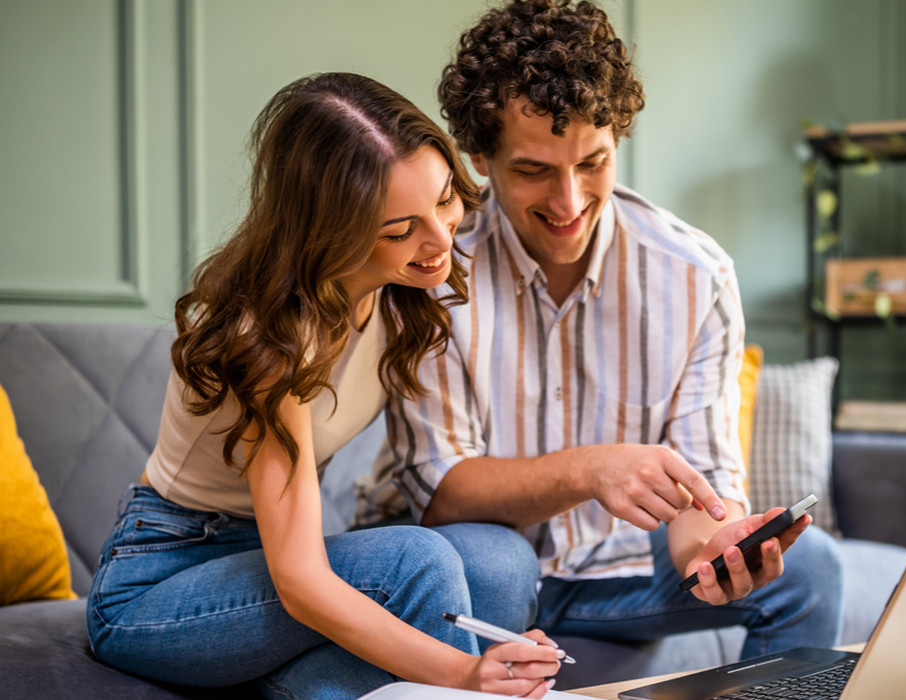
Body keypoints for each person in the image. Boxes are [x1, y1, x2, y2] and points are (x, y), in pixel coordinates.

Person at [356, 0, 844, 663]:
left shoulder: (695, 277)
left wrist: (716, 551)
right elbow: (441, 492)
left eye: (593, 163)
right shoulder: (434, 269)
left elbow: (700, 488)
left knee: (812, 568)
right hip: (473, 565)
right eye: (533, 170)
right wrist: (592, 469)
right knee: (494, 564)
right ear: (477, 158)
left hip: (613, 568)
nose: (569, 201)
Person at [85, 72, 561, 700]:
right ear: (327, 228)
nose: (441, 240)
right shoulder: (267, 335)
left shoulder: (400, 295)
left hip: (269, 563)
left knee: (498, 564)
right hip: (164, 580)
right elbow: (302, 579)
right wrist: (467, 672)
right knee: (417, 563)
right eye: (399, 230)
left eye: (445, 200)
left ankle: (292, 681)